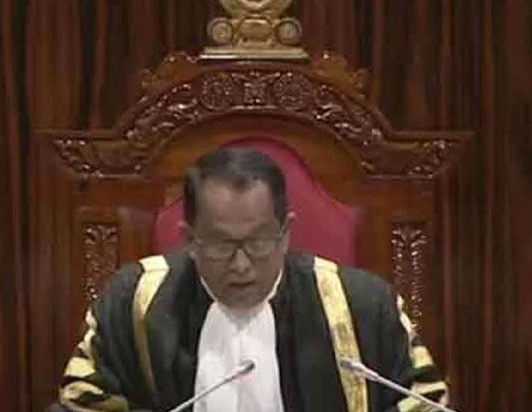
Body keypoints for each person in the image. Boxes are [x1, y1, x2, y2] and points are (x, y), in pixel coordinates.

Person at [52, 148, 448, 412]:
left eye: (258, 243)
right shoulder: (133, 302)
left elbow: (424, 403)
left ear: (286, 234)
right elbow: (80, 403)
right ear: (189, 239)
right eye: (221, 245)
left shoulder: (363, 306)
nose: (241, 265)